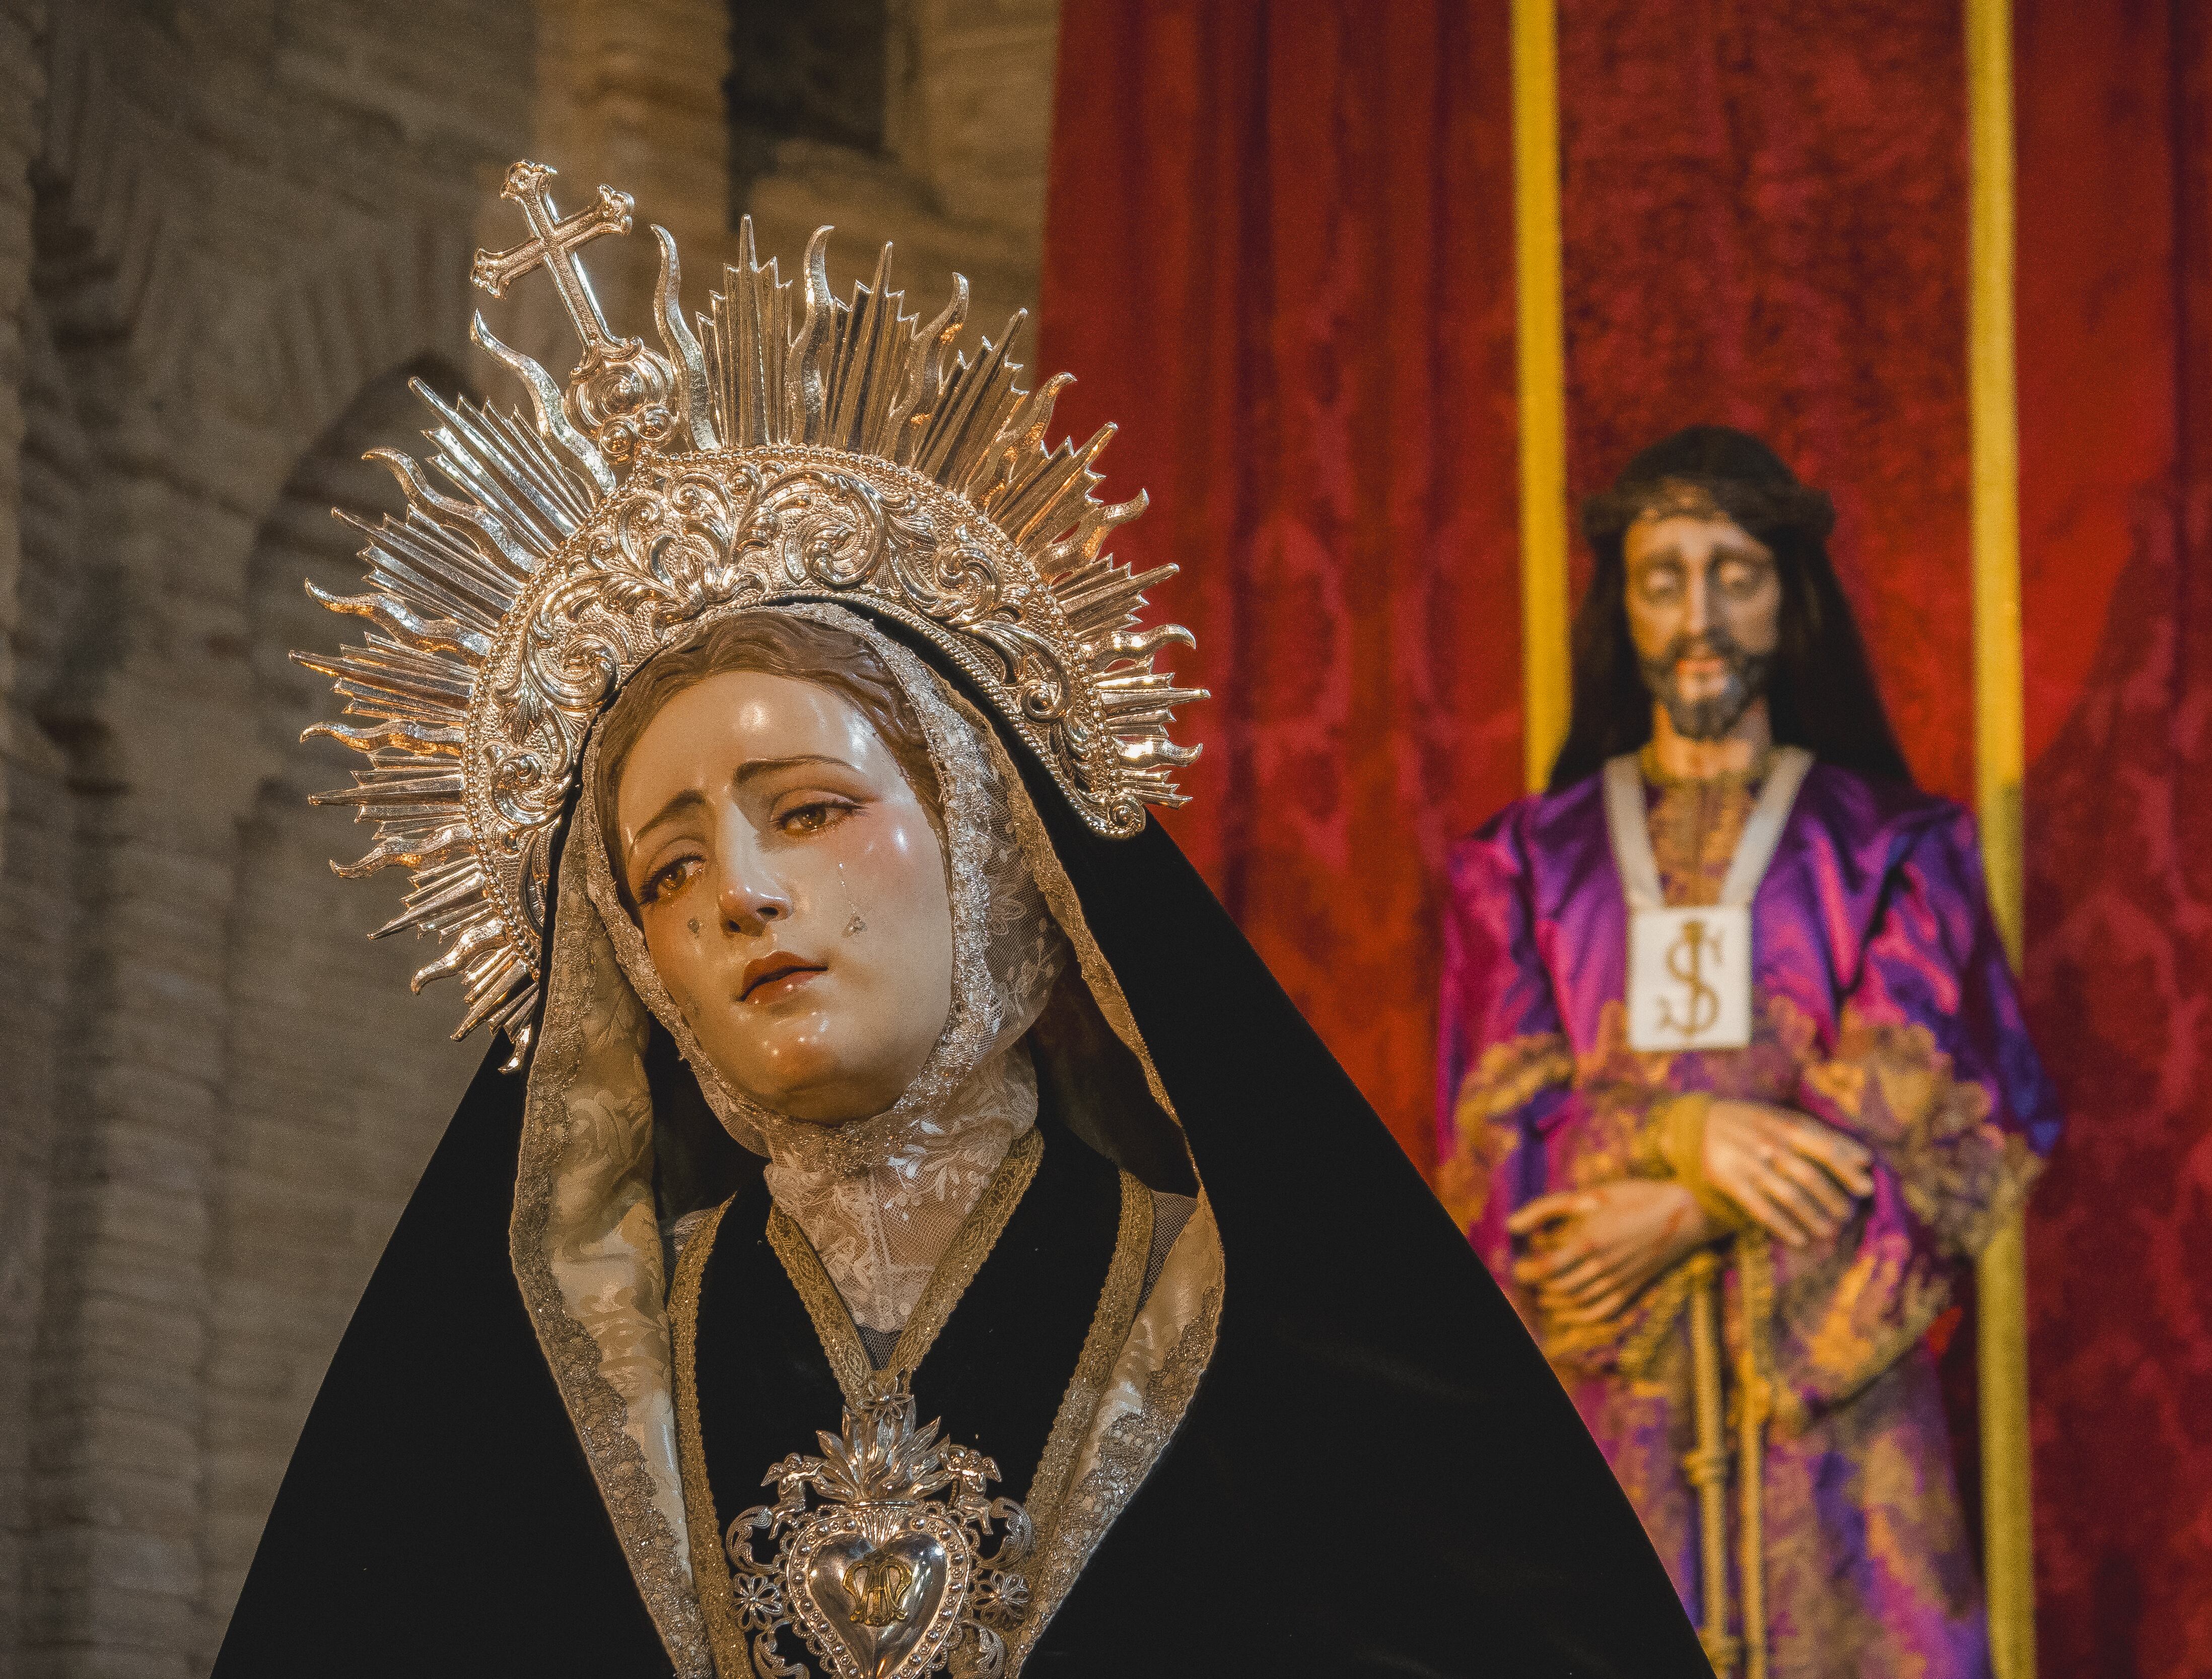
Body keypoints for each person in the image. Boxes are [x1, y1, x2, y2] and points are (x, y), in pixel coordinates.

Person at [212, 163, 1709, 1677]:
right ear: (633, 968)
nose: (741, 891)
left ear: (995, 846)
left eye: (808, 809)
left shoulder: (1263, 1341)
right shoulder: (548, 1400)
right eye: (664, 873)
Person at [1438, 426, 2062, 1678]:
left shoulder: (1899, 849)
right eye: (1663, 576)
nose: (1699, 614)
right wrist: (1689, 1130)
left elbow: (1930, 1103)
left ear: (1792, 597)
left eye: (1735, 571)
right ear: (1622, 604)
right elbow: (1490, 1124)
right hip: (1616, 1400)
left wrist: (1681, 1203)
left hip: (1833, 1424)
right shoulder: (1523, 861)